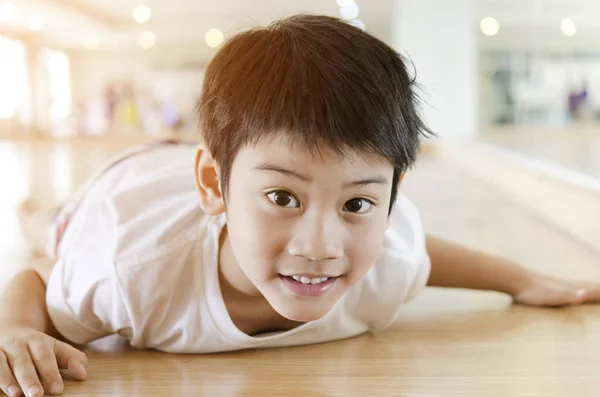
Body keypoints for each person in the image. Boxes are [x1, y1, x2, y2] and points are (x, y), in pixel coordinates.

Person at [1, 15, 599, 397]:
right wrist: (16, 327)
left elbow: (417, 252)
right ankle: (38, 209)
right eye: (284, 198)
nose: (321, 246)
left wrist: (524, 280)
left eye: (359, 203)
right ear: (213, 184)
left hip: (208, 167)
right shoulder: (126, 271)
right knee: (47, 229)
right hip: (122, 188)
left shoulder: (384, 249)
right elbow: (40, 275)